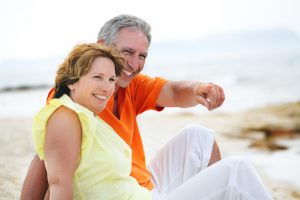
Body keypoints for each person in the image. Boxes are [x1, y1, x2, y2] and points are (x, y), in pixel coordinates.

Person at [21, 15, 272, 199]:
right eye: (127, 52)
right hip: (125, 193)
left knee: (199, 136)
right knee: (238, 170)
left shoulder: (129, 85)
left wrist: (197, 89)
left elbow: (173, 91)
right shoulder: (75, 100)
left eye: (142, 56)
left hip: (144, 187)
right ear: (102, 45)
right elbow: (48, 160)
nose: (134, 63)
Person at [31, 43, 152, 199]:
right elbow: (58, 183)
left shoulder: (88, 115)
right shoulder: (65, 117)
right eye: (97, 77)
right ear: (71, 81)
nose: (107, 88)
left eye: (111, 79)